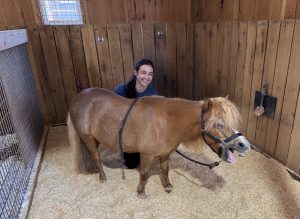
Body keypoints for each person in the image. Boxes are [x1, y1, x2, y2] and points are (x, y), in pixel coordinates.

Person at [113, 58, 158, 169]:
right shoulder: (121, 90)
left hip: (143, 133)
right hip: (126, 132)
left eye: (150, 74)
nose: (147, 77)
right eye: (143, 73)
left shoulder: (153, 95)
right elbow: (112, 110)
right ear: (136, 72)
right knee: (131, 164)